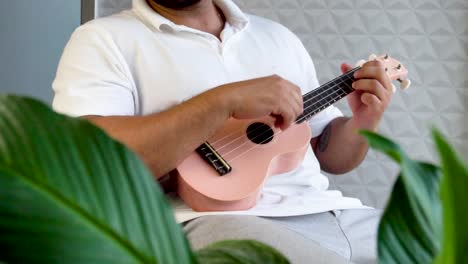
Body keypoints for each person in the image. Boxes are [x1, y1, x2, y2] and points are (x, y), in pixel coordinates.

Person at [52, 0, 394, 263]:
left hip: (335, 215)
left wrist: (364, 122)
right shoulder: (102, 41)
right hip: (215, 223)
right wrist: (222, 101)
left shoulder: (278, 38)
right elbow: (91, 162)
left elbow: (330, 154)